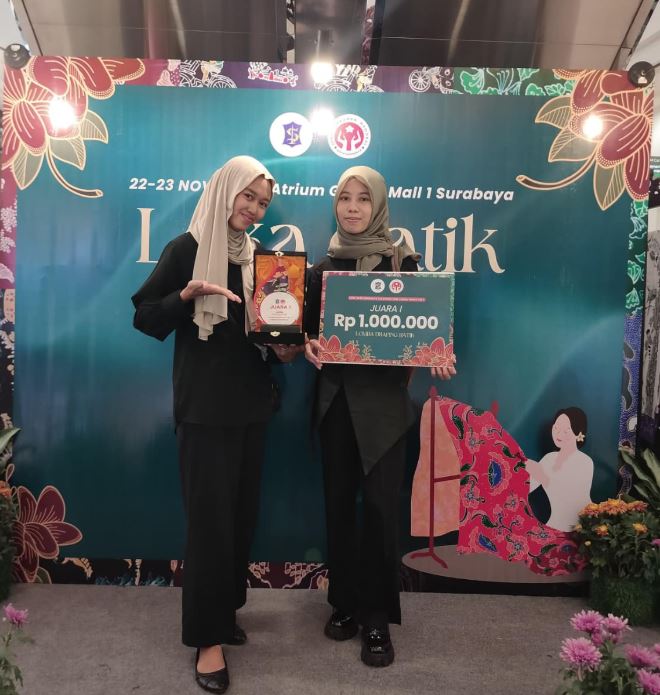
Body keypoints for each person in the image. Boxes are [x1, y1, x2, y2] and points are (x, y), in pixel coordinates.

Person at [132, 155, 298, 693]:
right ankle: (206, 640)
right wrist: (185, 297)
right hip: (203, 412)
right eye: (247, 196)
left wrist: (287, 349)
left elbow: (266, 337)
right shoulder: (186, 250)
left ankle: (223, 613)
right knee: (209, 527)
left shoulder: (259, 262)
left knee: (240, 522)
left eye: (263, 203)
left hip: (251, 408)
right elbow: (144, 316)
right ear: (225, 190)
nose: (254, 209)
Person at [304, 166, 456, 667]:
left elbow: (424, 329)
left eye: (363, 199)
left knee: (381, 513)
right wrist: (306, 346)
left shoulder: (402, 263)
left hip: (386, 411)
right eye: (344, 198)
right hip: (335, 406)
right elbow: (306, 334)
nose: (352, 207)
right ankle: (344, 603)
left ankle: (376, 619)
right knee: (338, 509)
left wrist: (437, 353)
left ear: (378, 206)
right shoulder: (323, 269)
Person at [525, 407, 594, 531]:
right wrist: (523, 470)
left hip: (583, 526)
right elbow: (527, 488)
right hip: (555, 525)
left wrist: (544, 478)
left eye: (566, 430)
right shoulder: (548, 458)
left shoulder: (585, 461)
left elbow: (573, 498)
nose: (558, 433)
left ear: (578, 433)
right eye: (556, 428)